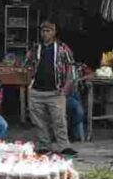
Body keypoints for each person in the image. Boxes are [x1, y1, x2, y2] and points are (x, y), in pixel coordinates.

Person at [25, 20, 79, 156]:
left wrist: (66, 87)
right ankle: (44, 145)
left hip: (56, 92)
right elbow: (27, 66)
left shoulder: (62, 48)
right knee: (39, 122)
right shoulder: (36, 48)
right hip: (37, 91)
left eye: (48, 31)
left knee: (59, 120)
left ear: (54, 32)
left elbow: (71, 68)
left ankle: (63, 146)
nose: (45, 34)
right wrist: (29, 84)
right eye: (43, 31)